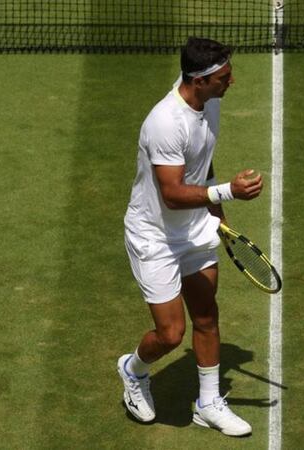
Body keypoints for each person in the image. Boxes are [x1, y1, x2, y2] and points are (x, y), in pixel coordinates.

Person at [117, 37, 263, 437]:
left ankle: (209, 402)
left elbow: (203, 156)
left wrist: (215, 209)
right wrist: (226, 191)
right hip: (155, 237)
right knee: (171, 334)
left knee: (206, 316)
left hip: (195, 227)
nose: (230, 82)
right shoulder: (165, 122)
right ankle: (133, 370)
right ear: (198, 81)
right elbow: (172, 193)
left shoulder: (209, 102)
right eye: (224, 77)